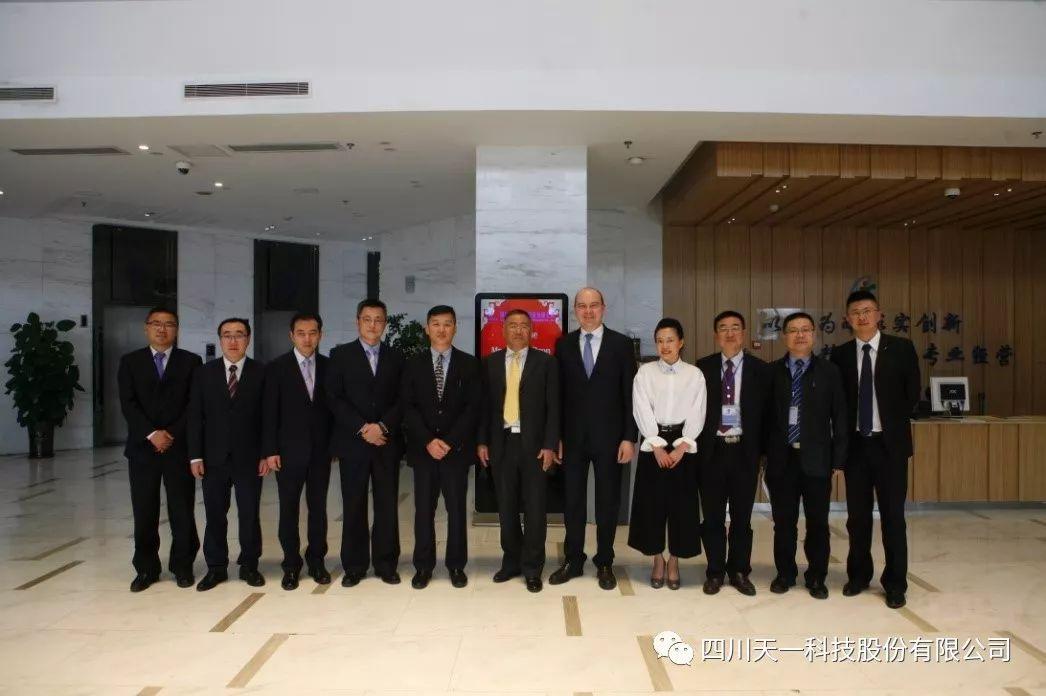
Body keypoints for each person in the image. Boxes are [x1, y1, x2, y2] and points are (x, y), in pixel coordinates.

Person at [832, 290, 920, 609]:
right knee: (857, 518)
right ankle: (858, 576)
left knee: (893, 517)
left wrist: (890, 424)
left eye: (867, 310)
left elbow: (912, 393)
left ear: (879, 314)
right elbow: (838, 403)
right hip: (856, 447)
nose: (862, 316)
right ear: (847, 318)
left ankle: (895, 583)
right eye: (855, 312)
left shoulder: (901, 348)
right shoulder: (840, 354)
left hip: (889, 447)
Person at [549, 287, 637, 591]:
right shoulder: (563, 345)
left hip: (611, 439)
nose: (588, 311)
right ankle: (573, 559)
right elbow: (557, 395)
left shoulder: (621, 345)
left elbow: (630, 395)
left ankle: (605, 561)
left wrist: (629, 437)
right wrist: (556, 437)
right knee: (572, 501)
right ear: (575, 310)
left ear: (604, 308)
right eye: (582, 306)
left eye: (594, 305)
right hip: (572, 439)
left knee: (607, 503)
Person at [117, 307, 202, 592]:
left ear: (177, 329)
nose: (162, 329)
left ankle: (183, 566)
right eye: (156, 324)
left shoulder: (191, 362)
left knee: (182, 509)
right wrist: (152, 434)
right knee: (144, 510)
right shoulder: (130, 362)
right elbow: (128, 404)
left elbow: (194, 404)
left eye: (169, 324)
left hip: (179, 448)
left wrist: (171, 433)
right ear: (146, 328)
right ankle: (146, 568)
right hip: (143, 449)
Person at [766, 312, 847, 599]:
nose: (799, 335)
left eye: (805, 330)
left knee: (818, 523)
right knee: (783, 523)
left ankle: (816, 577)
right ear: (784, 336)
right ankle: (785, 573)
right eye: (793, 330)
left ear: (813, 334)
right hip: (782, 459)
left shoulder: (829, 372)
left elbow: (840, 417)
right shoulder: (772, 372)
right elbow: (763, 418)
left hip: (817, 460)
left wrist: (838, 459)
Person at [477, 309, 560, 593]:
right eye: (512, 325)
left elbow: (554, 407)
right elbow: (484, 408)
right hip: (501, 444)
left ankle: (533, 567)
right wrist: (482, 441)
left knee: (535, 509)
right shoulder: (489, 363)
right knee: (506, 507)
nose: (518, 330)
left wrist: (550, 444)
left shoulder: (546, 363)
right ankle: (511, 561)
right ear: (503, 330)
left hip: (535, 447)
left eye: (524, 325)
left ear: (531, 331)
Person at [400, 305, 481, 589]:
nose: (442, 329)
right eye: (436, 324)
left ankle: (456, 565)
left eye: (447, 324)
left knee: (457, 510)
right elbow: (407, 407)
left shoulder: (470, 364)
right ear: (427, 328)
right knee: (423, 510)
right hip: (424, 451)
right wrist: (427, 440)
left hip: (455, 452)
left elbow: (472, 408)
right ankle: (423, 566)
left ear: (455, 328)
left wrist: (449, 441)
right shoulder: (412, 364)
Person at [326, 299, 405, 586]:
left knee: (387, 505)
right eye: (367, 319)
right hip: (354, 443)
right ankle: (354, 565)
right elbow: (334, 398)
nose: (373, 325)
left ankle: (386, 564)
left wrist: (381, 426)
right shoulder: (340, 355)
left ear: (385, 323)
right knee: (354, 504)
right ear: (357, 321)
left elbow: (403, 398)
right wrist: (362, 428)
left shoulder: (397, 357)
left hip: (386, 442)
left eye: (378, 319)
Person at [188, 317, 268, 591]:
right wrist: (195, 456)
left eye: (239, 335)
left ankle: (249, 565)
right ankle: (216, 567)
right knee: (214, 514)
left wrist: (266, 453)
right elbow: (195, 416)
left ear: (248, 339)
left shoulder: (261, 372)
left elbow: (268, 417)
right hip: (213, 458)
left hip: (250, 458)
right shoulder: (204, 373)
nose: (233, 341)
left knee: (249, 514)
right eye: (227, 335)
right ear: (220, 339)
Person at [695, 310, 771, 596]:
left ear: (744, 333)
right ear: (716, 335)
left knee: (742, 517)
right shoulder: (702, 368)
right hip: (711, 452)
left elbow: (767, 416)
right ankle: (715, 571)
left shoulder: (760, 370)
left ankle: (739, 571)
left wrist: (763, 454)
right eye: (724, 328)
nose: (730, 333)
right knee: (712, 517)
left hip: (744, 452)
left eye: (735, 327)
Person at [628, 318, 705, 590]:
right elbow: (640, 408)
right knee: (652, 504)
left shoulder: (694, 375)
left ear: (681, 342)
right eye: (660, 341)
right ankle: (657, 559)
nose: (665, 346)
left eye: (670, 340)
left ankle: (674, 560)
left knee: (682, 505)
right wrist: (656, 445)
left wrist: (683, 446)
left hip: (684, 440)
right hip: (653, 441)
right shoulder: (645, 373)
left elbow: (698, 410)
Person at [262, 312, 333, 590]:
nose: (307, 338)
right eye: (301, 333)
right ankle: (291, 565)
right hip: (288, 453)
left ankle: (317, 561)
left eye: (313, 333)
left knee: (318, 509)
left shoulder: (329, 367)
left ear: (320, 335)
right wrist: (270, 450)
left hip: (320, 453)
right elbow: (269, 412)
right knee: (288, 510)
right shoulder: (276, 368)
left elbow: (333, 410)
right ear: (291, 336)